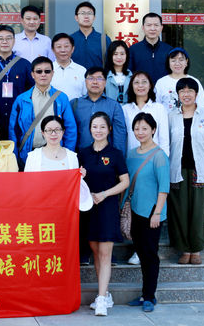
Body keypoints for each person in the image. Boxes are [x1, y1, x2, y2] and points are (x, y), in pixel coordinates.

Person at [78, 112, 130, 317]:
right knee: (96, 252)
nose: (98, 130)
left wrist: (105, 194)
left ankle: (100, 299)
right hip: (88, 208)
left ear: (109, 129)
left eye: (102, 127)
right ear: (89, 129)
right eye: (94, 127)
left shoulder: (115, 154)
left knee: (106, 253)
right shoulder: (83, 153)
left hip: (108, 208)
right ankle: (105, 293)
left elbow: (125, 181)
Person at [167, 77, 204, 266]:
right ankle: (184, 249)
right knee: (179, 210)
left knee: (198, 210)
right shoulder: (171, 116)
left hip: (199, 170)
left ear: (196, 94)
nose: (186, 94)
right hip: (177, 169)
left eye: (190, 91)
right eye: (182, 91)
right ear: (178, 95)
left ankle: (195, 249)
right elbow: (167, 142)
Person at [126, 112, 170, 313]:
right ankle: (145, 294)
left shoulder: (159, 155)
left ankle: (150, 296)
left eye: (144, 128)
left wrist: (157, 213)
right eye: (137, 128)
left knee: (150, 255)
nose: (140, 132)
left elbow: (164, 187)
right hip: (134, 211)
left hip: (152, 213)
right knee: (142, 253)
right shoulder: (131, 154)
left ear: (153, 130)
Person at [8, 56, 77, 163]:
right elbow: (13, 130)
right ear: (32, 74)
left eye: (47, 71)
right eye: (39, 71)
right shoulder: (22, 99)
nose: (43, 74)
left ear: (52, 73)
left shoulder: (61, 98)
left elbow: (70, 128)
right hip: (28, 154)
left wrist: (67, 155)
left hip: (56, 155)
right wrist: (14, 157)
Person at [0, 25, 33, 135]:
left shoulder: (25, 65)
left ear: (14, 41)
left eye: (8, 38)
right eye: (0, 39)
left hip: (19, 119)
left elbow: (32, 92)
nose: (5, 42)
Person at [71, 67, 128, 157]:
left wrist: (118, 159)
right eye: (91, 78)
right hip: (80, 156)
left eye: (99, 78)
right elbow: (69, 133)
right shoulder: (74, 104)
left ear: (105, 82)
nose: (95, 82)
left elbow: (119, 136)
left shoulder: (114, 106)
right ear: (85, 82)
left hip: (106, 158)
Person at [123, 71, 170, 155]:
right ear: (131, 86)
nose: (140, 85)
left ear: (150, 85)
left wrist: (163, 159)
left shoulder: (159, 108)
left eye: (144, 82)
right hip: (132, 158)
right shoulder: (125, 109)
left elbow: (164, 140)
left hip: (154, 158)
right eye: (136, 82)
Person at [155, 48, 204, 113]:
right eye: (173, 60)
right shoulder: (161, 83)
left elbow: (202, 107)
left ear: (186, 62)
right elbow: (156, 107)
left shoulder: (194, 81)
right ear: (168, 63)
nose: (177, 63)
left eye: (181, 60)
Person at [128, 12, 173, 84]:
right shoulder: (133, 50)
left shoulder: (169, 50)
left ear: (161, 28)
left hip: (163, 90)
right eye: (149, 25)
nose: (152, 28)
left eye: (156, 25)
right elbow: (129, 74)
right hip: (140, 89)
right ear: (143, 27)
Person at [71, 1, 112, 70]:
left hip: (98, 76)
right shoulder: (70, 39)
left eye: (89, 13)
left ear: (94, 17)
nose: (86, 16)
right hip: (74, 76)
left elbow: (111, 63)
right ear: (76, 18)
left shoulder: (104, 39)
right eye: (82, 13)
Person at [50, 33, 87, 102]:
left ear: (72, 49)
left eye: (66, 46)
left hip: (76, 108)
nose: (63, 50)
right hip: (53, 108)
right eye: (59, 47)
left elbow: (86, 95)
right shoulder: (47, 70)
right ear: (53, 50)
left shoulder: (81, 70)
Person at [104, 40, 132, 105]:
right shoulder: (104, 75)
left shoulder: (131, 76)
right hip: (109, 110)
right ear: (110, 56)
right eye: (115, 54)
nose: (119, 57)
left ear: (126, 55)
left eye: (122, 54)